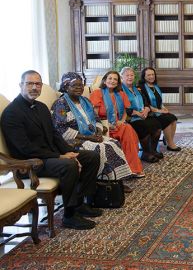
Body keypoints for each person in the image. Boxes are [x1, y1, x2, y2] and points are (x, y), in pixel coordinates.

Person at [1, 70, 102, 230]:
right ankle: (69, 215)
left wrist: (71, 152)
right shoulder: (12, 113)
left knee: (91, 157)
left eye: (38, 84)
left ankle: (80, 203)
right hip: (29, 163)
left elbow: (55, 135)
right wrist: (61, 156)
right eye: (30, 83)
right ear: (21, 85)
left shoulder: (40, 107)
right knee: (68, 165)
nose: (34, 87)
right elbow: (25, 148)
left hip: (49, 156)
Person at [51, 72, 134, 187]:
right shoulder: (61, 104)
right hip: (74, 140)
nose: (79, 88)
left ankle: (115, 180)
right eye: (75, 85)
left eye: (81, 85)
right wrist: (89, 137)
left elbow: (97, 119)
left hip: (92, 135)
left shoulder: (85, 101)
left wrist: (99, 131)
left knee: (114, 143)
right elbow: (61, 129)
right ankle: (101, 183)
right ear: (66, 87)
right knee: (101, 147)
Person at [89, 71, 145, 176]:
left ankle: (133, 168)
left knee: (128, 130)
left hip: (117, 125)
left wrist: (122, 121)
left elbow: (124, 112)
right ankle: (127, 168)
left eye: (115, 79)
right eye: (110, 78)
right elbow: (94, 115)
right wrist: (105, 125)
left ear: (118, 82)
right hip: (103, 126)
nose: (112, 81)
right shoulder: (97, 93)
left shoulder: (121, 94)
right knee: (127, 130)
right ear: (105, 81)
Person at [120, 67, 163, 162]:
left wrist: (146, 110)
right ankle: (146, 153)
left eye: (131, 75)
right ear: (121, 77)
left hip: (143, 115)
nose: (130, 77)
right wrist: (137, 113)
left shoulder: (137, 88)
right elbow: (123, 107)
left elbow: (146, 102)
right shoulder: (120, 90)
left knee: (157, 125)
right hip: (130, 118)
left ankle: (153, 150)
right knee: (144, 127)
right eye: (127, 75)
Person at [138, 67, 181, 151]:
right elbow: (144, 104)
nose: (151, 76)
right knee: (166, 120)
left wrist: (164, 108)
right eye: (148, 75)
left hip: (158, 111)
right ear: (144, 76)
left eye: (153, 74)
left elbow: (159, 101)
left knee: (173, 118)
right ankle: (171, 144)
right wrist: (159, 111)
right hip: (149, 113)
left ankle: (170, 141)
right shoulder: (141, 88)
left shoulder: (155, 86)